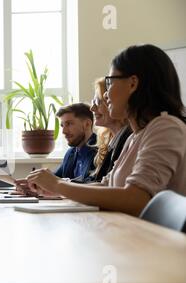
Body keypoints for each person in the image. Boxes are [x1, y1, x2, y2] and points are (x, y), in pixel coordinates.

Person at [25, 44, 186, 216]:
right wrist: (57, 189)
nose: (106, 94)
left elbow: (137, 199)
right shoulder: (135, 137)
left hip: (155, 240)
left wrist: (58, 185)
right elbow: (107, 185)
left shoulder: (166, 127)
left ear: (132, 83)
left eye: (110, 82)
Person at [87, 77, 132, 182]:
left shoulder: (129, 138)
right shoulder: (113, 140)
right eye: (93, 101)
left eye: (98, 102)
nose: (92, 108)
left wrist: (59, 185)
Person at [53, 103, 97, 182]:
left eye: (69, 124)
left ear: (87, 124)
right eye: (62, 125)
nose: (64, 131)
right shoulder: (71, 152)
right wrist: (35, 184)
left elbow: (90, 184)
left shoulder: (100, 151)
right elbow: (55, 178)